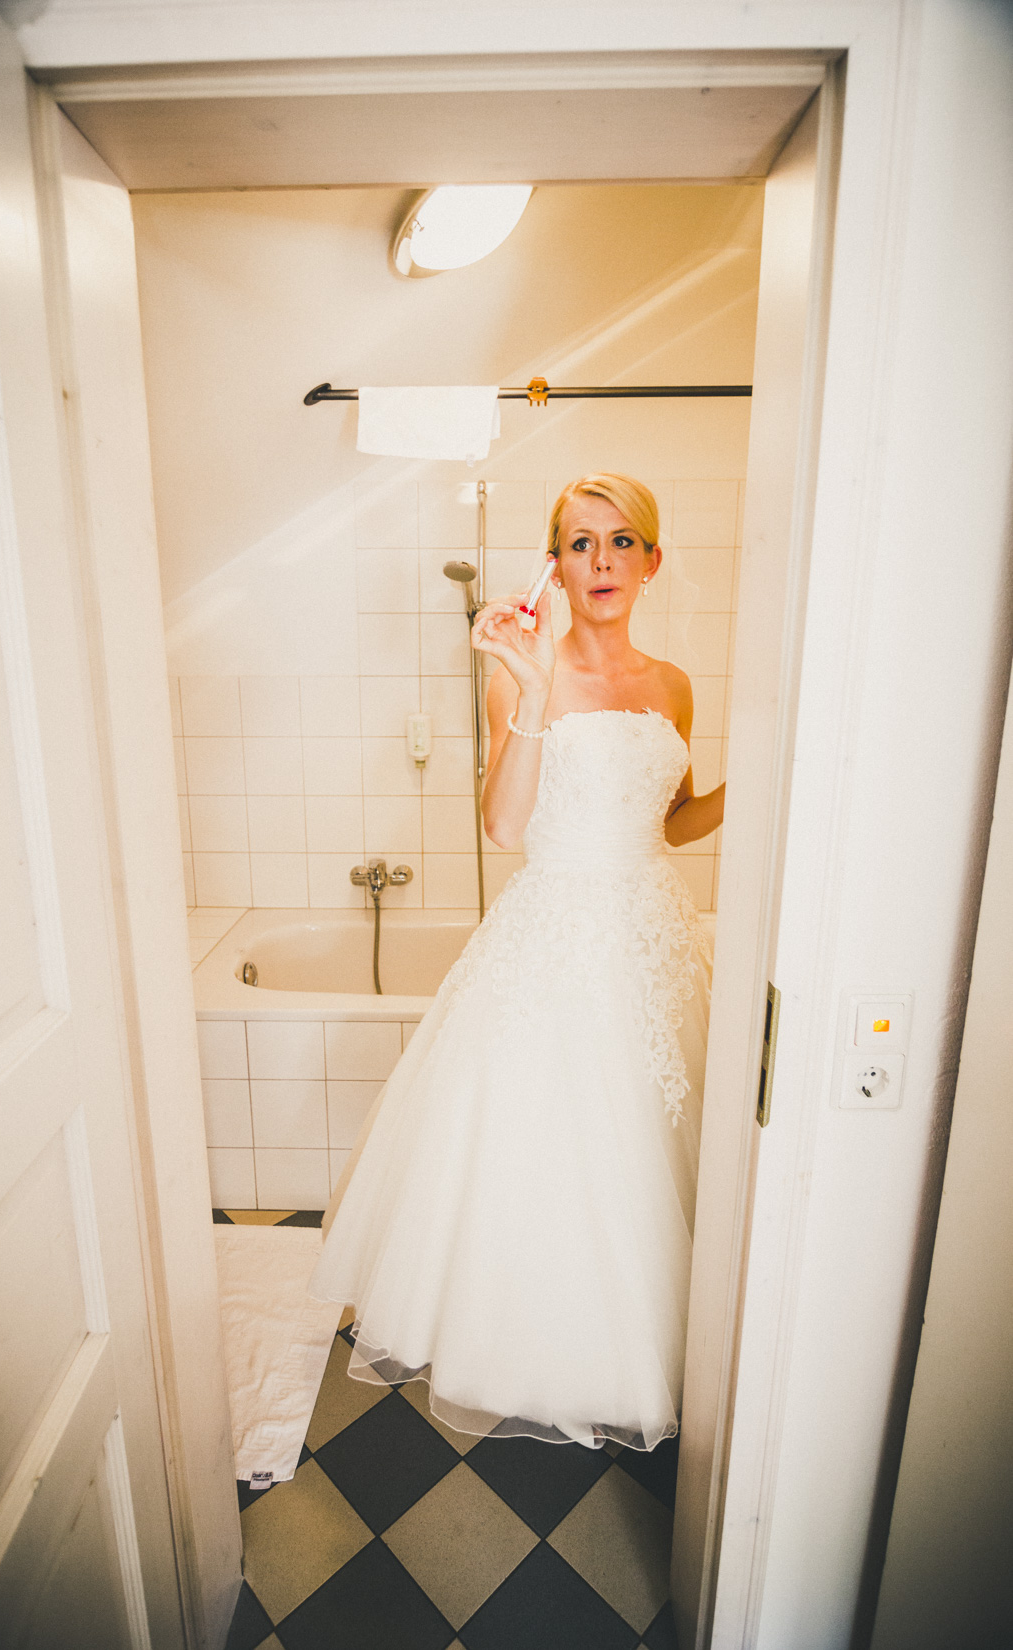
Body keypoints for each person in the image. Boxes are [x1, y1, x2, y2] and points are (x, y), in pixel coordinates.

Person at [309, 473, 725, 1451]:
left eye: (622, 541)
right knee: (554, 1141)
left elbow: (670, 821)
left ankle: (650, 1346)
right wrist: (534, 688)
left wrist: (763, 778)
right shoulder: (518, 674)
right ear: (555, 565)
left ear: (652, 560)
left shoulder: (673, 686)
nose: (602, 560)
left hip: (653, 938)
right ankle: (536, 1349)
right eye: (579, 543)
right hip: (553, 937)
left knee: (650, 1139)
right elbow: (503, 827)